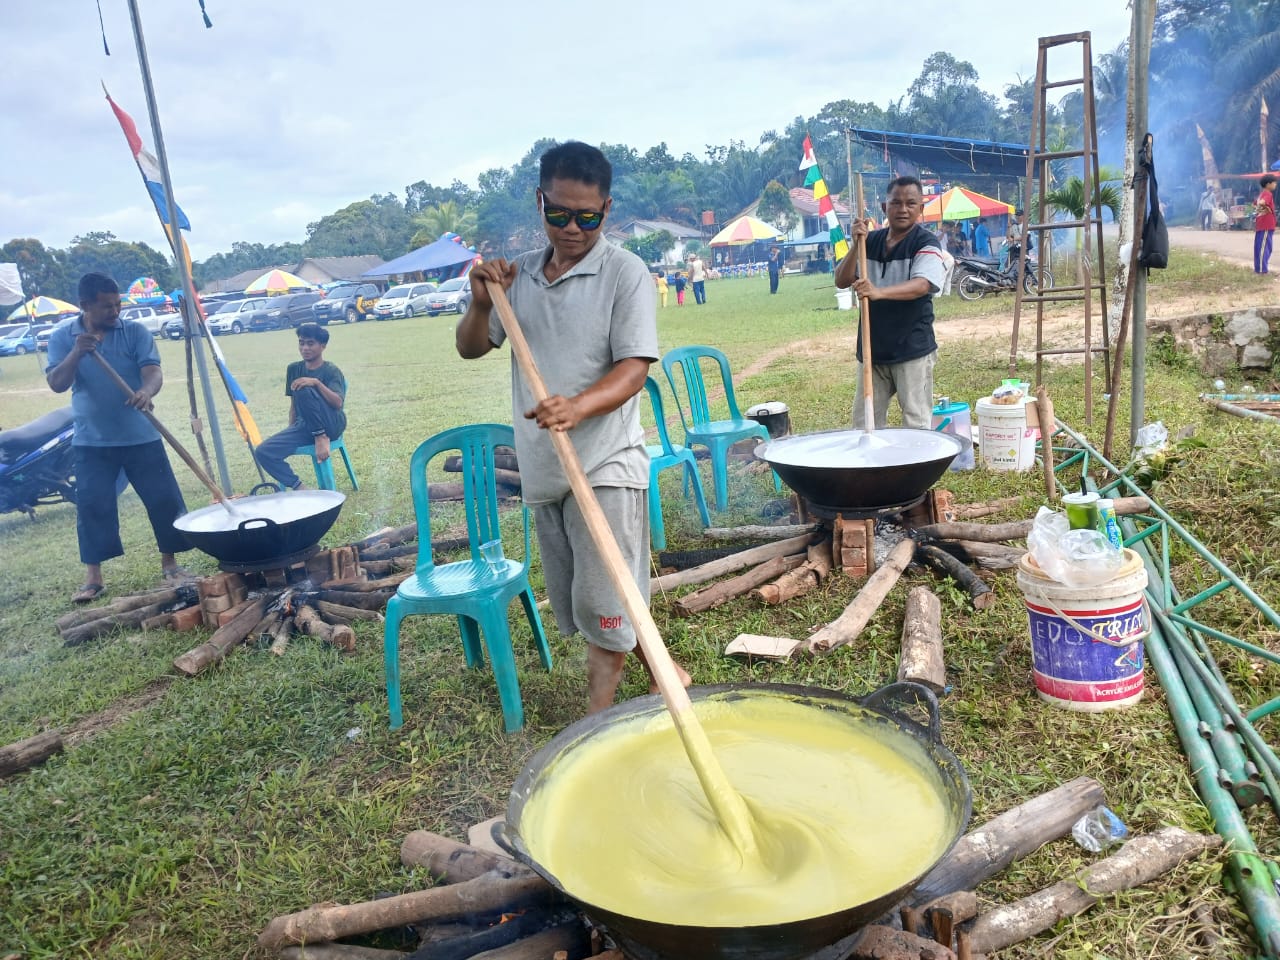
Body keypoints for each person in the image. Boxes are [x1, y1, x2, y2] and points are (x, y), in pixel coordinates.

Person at [455, 140, 689, 714]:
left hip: (606, 462)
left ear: (606, 210)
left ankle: (597, 726)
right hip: (544, 470)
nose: (572, 228)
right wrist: (482, 302)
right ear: (540, 202)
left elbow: (634, 369)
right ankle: (663, 667)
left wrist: (578, 407)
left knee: (601, 598)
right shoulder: (519, 280)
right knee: (593, 602)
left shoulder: (625, 273)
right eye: (559, 213)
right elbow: (470, 348)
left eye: (587, 217)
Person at [45, 272, 192, 603]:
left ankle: (171, 563)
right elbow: (57, 383)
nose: (115, 312)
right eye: (106, 307)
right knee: (93, 505)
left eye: (117, 304)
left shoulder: (134, 331)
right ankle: (93, 578)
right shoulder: (62, 336)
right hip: (91, 440)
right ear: (85, 306)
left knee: (163, 499)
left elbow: (152, 371)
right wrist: (77, 353)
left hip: (140, 435)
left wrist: (145, 390)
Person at [833, 175, 947, 430]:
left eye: (910, 203)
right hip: (872, 351)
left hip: (912, 350)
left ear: (921, 208)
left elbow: (923, 284)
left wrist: (879, 292)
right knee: (865, 424)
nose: (903, 209)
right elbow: (841, 280)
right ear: (885, 208)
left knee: (916, 422)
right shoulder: (869, 243)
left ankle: (917, 471)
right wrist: (855, 245)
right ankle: (872, 471)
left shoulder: (926, 242)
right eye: (896, 203)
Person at [253, 322, 347, 491]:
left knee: (303, 388)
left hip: (331, 423)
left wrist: (316, 383)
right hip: (306, 425)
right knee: (263, 451)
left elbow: (337, 403)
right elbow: (294, 406)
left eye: (310, 343)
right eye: (301, 343)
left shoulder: (331, 370)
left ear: (322, 346)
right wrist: (291, 430)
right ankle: (300, 488)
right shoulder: (294, 369)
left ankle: (320, 437)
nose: (305, 348)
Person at [1255, 174, 1277, 274]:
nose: (1275, 184)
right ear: (1268, 184)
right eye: (1274, 182)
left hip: (1261, 225)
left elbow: (1254, 204)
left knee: (1261, 247)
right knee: (1265, 248)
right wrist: (1264, 207)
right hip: (1266, 225)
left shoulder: (1261, 194)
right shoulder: (1268, 194)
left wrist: (1261, 210)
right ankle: (1262, 270)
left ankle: (1259, 269)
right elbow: (1261, 203)